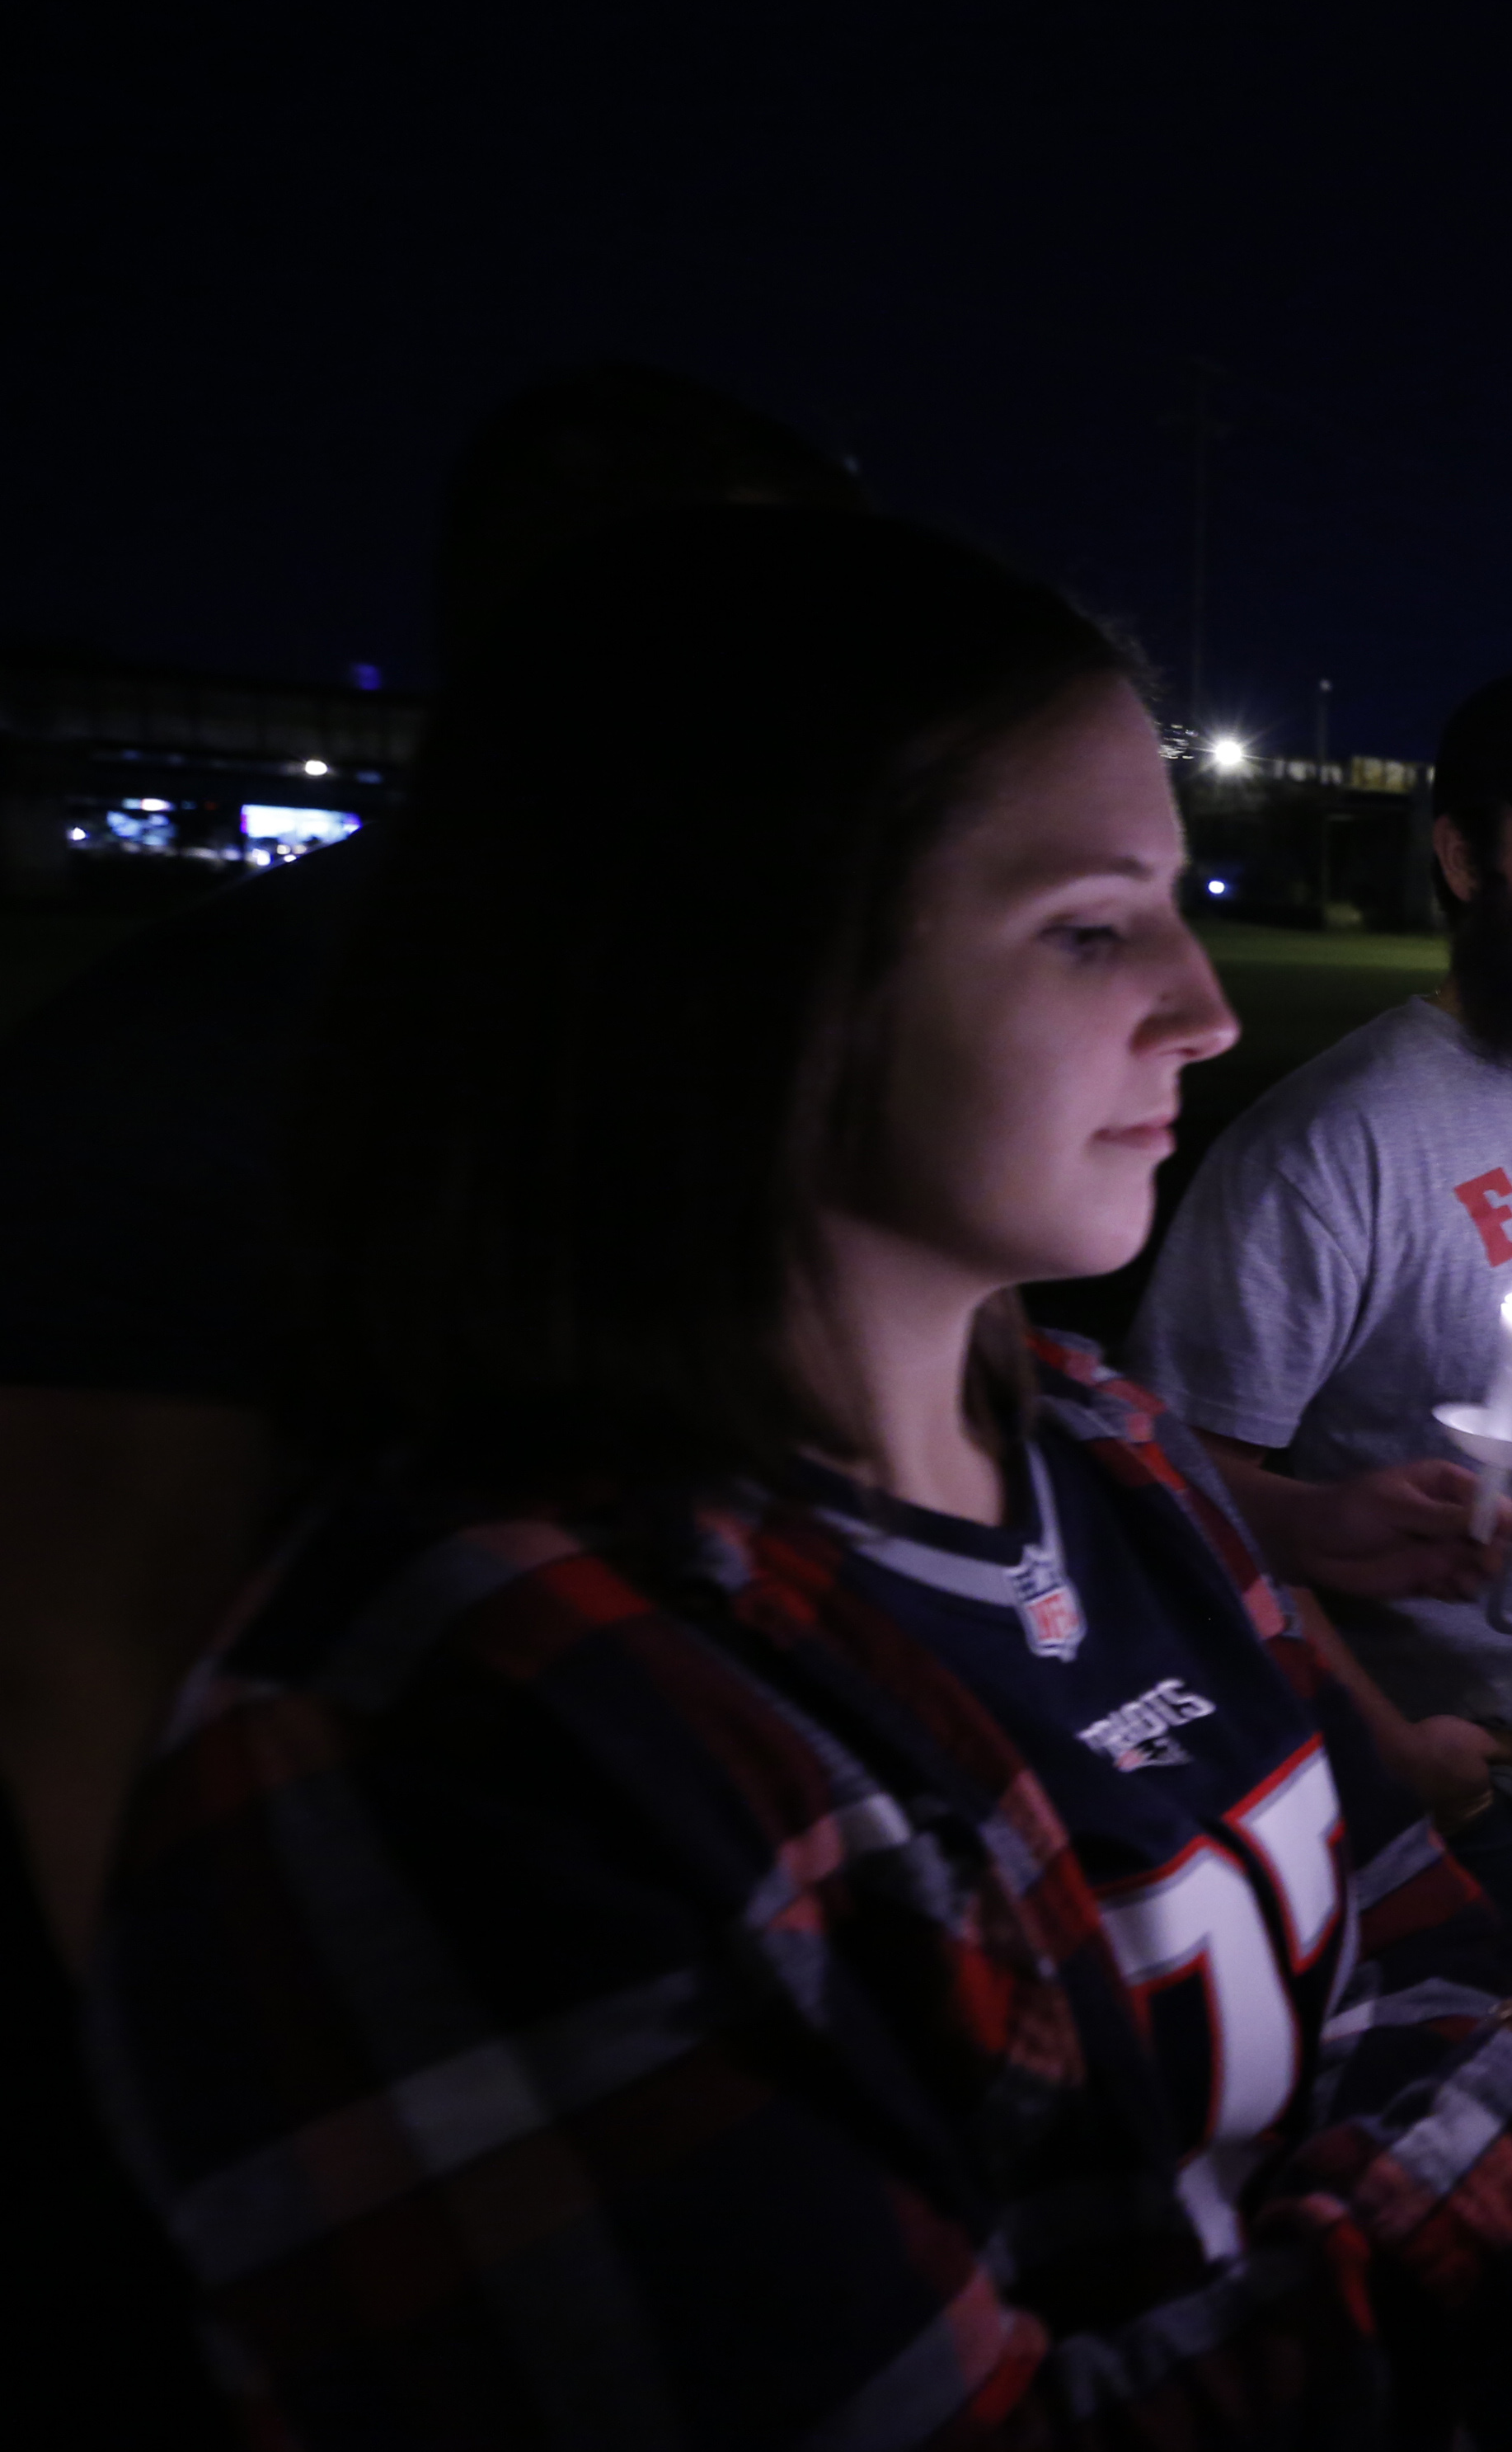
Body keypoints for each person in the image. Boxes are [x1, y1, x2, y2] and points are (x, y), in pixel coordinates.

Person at [88, 507, 1512, 2446]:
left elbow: (1395, 1942)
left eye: (1171, 901)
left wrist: (1486, 2100)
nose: (1208, 1005)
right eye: (1087, 929)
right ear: (745, 971)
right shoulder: (464, 1732)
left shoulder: (1097, 1449)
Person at [0, 369, 875, 2452]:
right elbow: (81, 1674)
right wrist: (269, 2204)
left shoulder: (732, 1024)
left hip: (721, 1982)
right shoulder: (228, 1052)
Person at [1132, 667, 1512, 1970]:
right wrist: (1383, 1743)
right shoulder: (1330, 1144)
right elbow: (1178, 1496)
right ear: (1465, 859)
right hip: (1487, 1804)